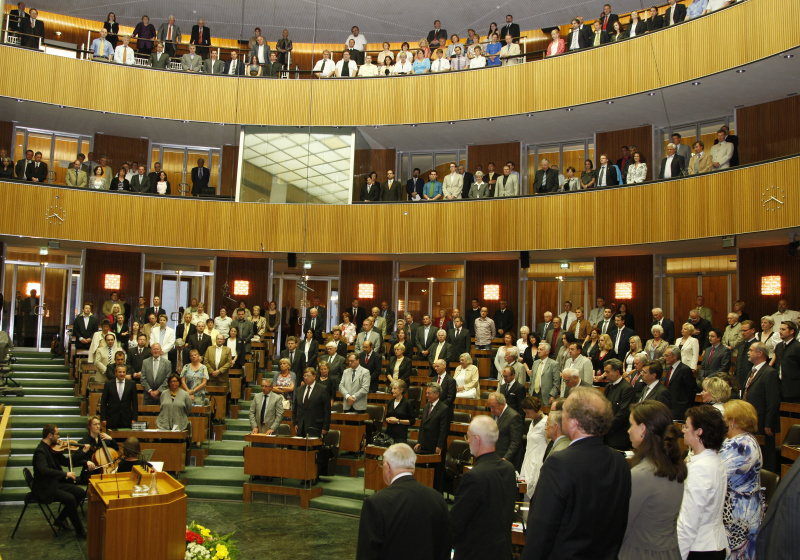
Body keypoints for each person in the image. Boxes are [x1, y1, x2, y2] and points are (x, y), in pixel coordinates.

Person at [522, 387, 631, 559]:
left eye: (564, 413)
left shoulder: (559, 464)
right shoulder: (620, 462)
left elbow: (542, 530)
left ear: (573, 422)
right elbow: (620, 523)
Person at [356, 443, 450, 560]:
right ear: (412, 467)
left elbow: (366, 554)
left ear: (387, 466)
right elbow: (444, 549)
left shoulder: (375, 503)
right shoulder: (437, 499)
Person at [619, 400, 686, 560]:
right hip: (669, 551)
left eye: (631, 425)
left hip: (640, 553)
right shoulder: (673, 466)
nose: (628, 430)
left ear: (643, 428)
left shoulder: (642, 474)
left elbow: (622, 525)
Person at [451, 415, 517, 559]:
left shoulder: (473, 476)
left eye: (468, 437)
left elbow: (456, 523)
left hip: (475, 553)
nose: (467, 441)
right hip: (502, 552)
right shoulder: (509, 469)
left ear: (477, 439)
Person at [677, 404, 728, 559]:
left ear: (699, 431)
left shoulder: (701, 469)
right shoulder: (715, 460)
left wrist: (677, 556)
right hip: (713, 544)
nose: (683, 430)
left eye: (686, 426)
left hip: (699, 547)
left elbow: (689, 523)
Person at [719, 400, 764, 560]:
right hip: (742, 508)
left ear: (733, 421)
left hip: (738, 514)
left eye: (725, 417)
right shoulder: (745, 440)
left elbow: (716, 474)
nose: (722, 421)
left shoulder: (741, 445)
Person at [33, 424, 87, 537]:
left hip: (55, 483)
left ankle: (61, 519)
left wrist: (83, 453)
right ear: (50, 435)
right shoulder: (40, 452)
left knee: (80, 492)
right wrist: (65, 474)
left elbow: (67, 462)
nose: (59, 437)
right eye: (57, 434)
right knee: (70, 499)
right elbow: (44, 470)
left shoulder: (53, 449)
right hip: (45, 487)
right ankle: (80, 531)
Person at [742, 342, 780, 472]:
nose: (748, 352)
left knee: (765, 456)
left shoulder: (769, 372)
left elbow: (772, 401)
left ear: (760, 353)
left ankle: (767, 481)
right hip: (750, 420)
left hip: (763, 423)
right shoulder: (752, 371)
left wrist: (768, 424)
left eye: (751, 350)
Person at [414, 383, 451, 491]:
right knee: (425, 475)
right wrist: (419, 441)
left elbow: (444, 430)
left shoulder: (444, 409)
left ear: (437, 394)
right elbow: (422, 426)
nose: (426, 395)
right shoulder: (426, 407)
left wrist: (439, 446)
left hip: (436, 448)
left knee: (436, 476)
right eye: (426, 393)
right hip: (425, 446)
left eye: (429, 393)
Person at [519, 396, 548, 499]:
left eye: (528, 412)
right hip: (529, 461)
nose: (526, 415)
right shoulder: (532, 423)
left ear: (534, 409)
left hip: (539, 462)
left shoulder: (546, 423)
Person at [293, 368, 330, 438]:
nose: (306, 378)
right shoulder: (299, 390)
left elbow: (327, 410)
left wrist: (325, 427)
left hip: (316, 426)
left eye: (308, 375)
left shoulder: (322, 389)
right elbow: (295, 408)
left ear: (314, 376)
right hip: (301, 426)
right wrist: (295, 423)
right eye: (304, 376)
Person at [100, 364, 138, 430]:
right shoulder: (109, 384)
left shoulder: (131, 384)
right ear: (115, 373)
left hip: (126, 419)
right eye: (120, 372)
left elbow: (135, 403)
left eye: (124, 372)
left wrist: (134, 418)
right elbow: (103, 402)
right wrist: (103, 418)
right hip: (111, 418)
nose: (122, 374)